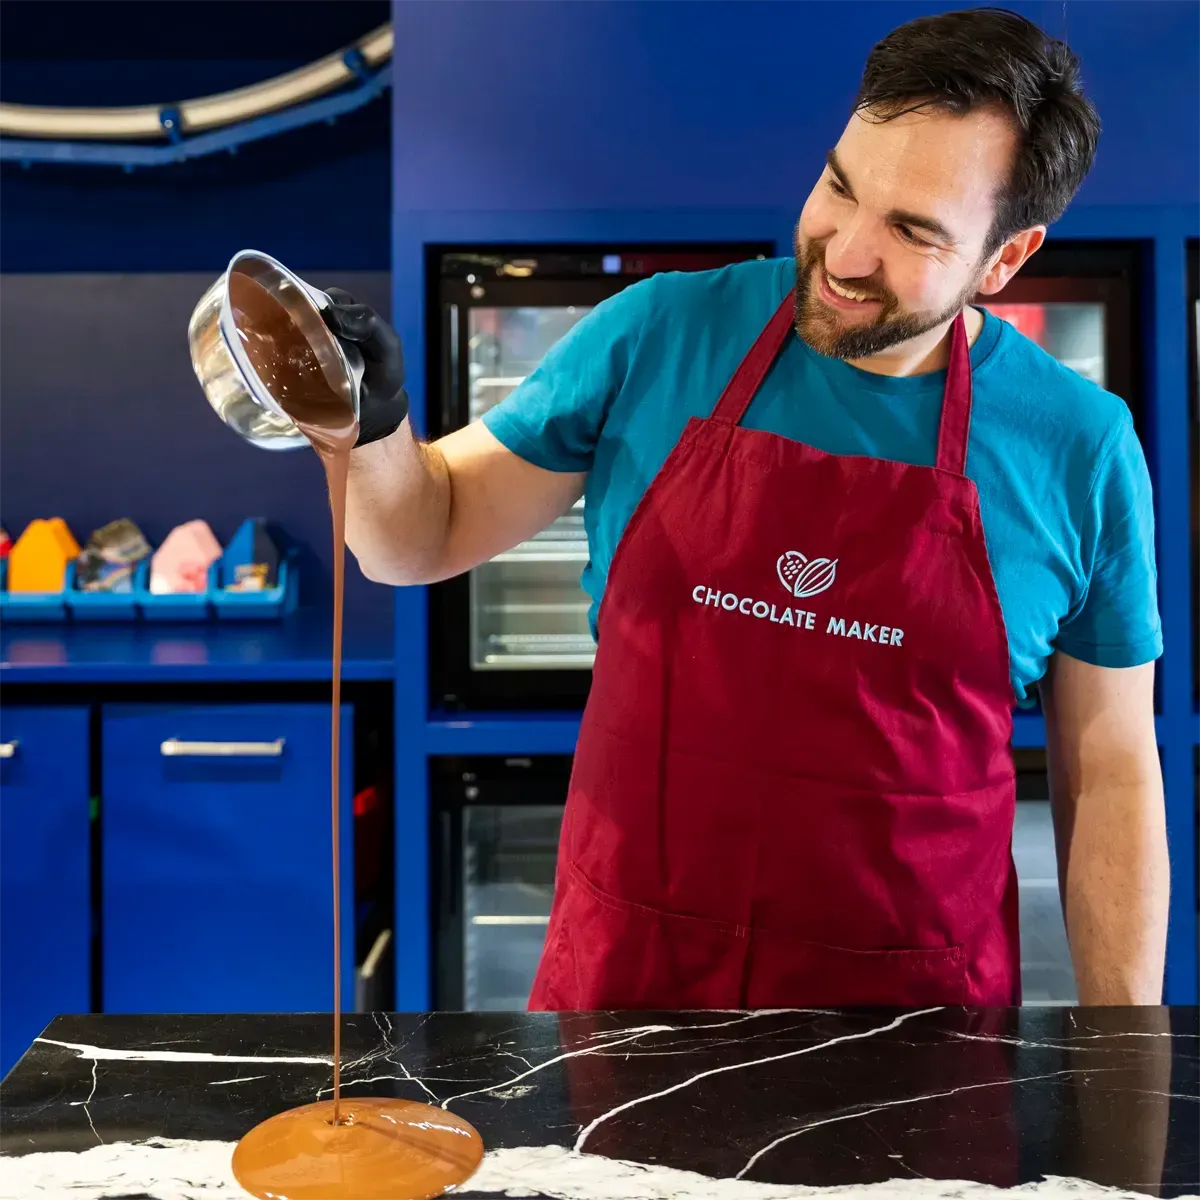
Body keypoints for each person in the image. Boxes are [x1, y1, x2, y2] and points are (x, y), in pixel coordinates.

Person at [323, 8, 1168, 1008]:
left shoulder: (1079, 445)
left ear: (1005, 258)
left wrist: (1125, 1056)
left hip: (915, 1025)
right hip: (630, 998)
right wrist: (370, 426)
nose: (845, 254)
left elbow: (1110, 771)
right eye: (839, 188)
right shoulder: (660, 333)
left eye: (911, 231)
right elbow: (414, 540)